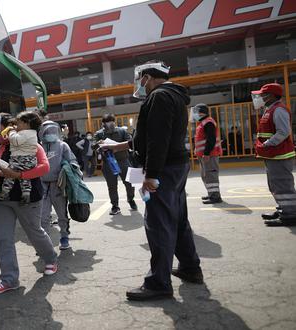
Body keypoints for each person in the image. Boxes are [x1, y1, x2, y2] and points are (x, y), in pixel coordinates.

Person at [101, 60, 202, 301]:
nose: (140, 85)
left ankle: (159, 283)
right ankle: (190, 267)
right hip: (176, 165)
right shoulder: (175, 96)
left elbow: (157, 141)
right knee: (177, 220)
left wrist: (152, 176)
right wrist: (120, 145)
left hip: (164, 169)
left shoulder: (158, 97)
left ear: (147, 77)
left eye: (140, 80)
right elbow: (152, 136)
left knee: (158, 224)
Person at [0, 112, 58, 295]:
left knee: (34, 232)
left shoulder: (31, 144)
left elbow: (44, 167)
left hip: (25, 199)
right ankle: (9, 280)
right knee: (3, 240)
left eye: (1, 127)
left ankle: (51, 258)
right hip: (0, 199)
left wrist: (19, 175)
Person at [252, 83, 296, 226]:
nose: (259, 97)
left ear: (270, 96)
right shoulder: (270, 109)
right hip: (272, 155)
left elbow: (283, 132)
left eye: (262, 95)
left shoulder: (278, 110)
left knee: (283, 186)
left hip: (279, 156)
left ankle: (290, 215)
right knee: (275, 185)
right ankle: (283, 209)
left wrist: (267, 144)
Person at [39, 121, 79, 250]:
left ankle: (64, 237)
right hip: (42, 186)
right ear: (42, 133)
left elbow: (73, 161)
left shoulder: (63, 146)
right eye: (47, 131)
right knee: (43, 217)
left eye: (53, 131)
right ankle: (45, 244)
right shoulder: (38, 147)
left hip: (59, 185)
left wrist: (69, 167)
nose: (50, 134)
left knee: (62, 214)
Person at [0, 112, 39, 204]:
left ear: (27, 124)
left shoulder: (26, 133)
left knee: (9, 176)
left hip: (22, 159)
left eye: (18, 123)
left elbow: (16, 141)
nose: (16, 125)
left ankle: (4, 193)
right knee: (25, 179)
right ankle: (26, 194)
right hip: (27, 160)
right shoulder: (30, 133)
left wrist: (11, 131)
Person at [95, 113, 137, 214]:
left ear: (114, 121)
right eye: (106, 122)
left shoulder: (122, 131)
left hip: (124, 160)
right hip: (108, 162)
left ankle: (131, 199)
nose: (109, 124)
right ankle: (115, 205)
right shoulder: (99, 134)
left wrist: (115, 147)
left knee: (130, 183)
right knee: (112, 186)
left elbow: (130, 143)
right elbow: (95, 147)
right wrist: (98, 144)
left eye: (111, 121)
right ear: (103, 124)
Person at [192, 104, 223, 204]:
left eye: (195, 112)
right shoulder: (203, 122)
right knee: (205, 175)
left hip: (210, 154)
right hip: (204, 155)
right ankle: (211, 194)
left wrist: (206, 153)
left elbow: (211, 139)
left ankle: (215, 197)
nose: (194, 114)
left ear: (201, 112)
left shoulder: (208, 122)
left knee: (211, 175)